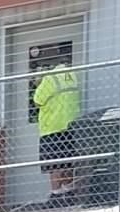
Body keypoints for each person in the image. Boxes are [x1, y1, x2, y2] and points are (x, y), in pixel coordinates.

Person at [32, 51, 83, 198]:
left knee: (54, 164)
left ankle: (56, 194)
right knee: (68, 162)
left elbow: (37, 100)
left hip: (52, 127)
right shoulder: (73, 76)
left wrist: (38, 83)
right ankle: (69, 191)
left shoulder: (50, 78)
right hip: (71, 125)